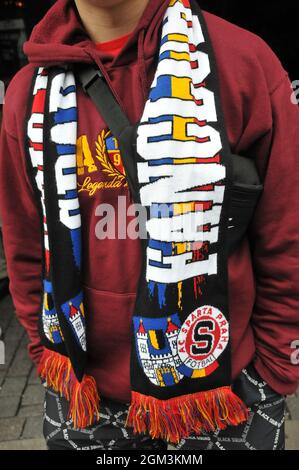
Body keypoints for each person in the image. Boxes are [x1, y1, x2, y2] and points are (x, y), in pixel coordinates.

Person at [0, 0, 298, 451]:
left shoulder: (242, 63)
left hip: (225, 395)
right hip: (84, 400)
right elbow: (24, 242)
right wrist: (45, 356)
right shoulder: (28, 92)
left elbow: (285, 235)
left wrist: (273, 371)